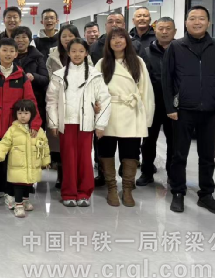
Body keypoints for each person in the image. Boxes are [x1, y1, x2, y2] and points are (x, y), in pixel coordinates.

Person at [163, 6, 215, 215]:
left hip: (210, 111)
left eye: (201, 18)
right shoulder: (176, 46)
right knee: (179, 154)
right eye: (192, 18)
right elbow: (167, 79)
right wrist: (170, 107)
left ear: (208, 22)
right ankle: (178, 192)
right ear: (186, 23)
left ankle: (206, 195)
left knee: (207, 155)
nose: (197, 22)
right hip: (182, 110)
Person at [0, 38, 42, 211]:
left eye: (11, 51)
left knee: (12, 164)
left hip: (14, 129)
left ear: (16, 54)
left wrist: (35, 124)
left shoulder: (21, 76)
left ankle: (10, 194)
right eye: (4, 50)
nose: (8, 54)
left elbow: (31, 102)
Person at [46, 39, 112, 208]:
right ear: (68, 53)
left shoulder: (95, 75)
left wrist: (100, 124)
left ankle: (84, 192)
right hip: (66, 123)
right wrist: (53, 123)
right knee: (68, 159)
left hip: (86, 123)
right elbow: (51, 100)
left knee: (85, 159)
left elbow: (104, 99)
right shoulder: (58, 75)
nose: (77, 54)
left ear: (86, 53)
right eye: (73, 51)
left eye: (81, 51)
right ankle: (69, 192)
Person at [96, 28, 155, 208]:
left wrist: (147, 118)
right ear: (108, 43)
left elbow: (146, 91)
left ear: (127, 41)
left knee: (131, 152)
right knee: (106, 152)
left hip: (131, 111)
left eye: (121, 37)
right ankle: (112, 188)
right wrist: (95, 113)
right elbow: (94, 90)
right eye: (113, 38)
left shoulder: (138, 62)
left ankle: (128, 188)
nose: (117, 41)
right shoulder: (102, 63)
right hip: (108, 112)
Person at [46, 24, 88, 189]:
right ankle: (62, 175)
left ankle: (78, 177)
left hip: (80, 105)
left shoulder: (84, 54)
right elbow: (51, 81)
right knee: (60, 144)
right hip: (59, 103)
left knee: (79, 145)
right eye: (64, 36)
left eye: (71, 36)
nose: (67, 39)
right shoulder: (52, 56)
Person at [0, 100, 50, 219]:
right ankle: (18, 204)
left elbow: (44, 146)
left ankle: (25, 200)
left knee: (28, 183)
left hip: (32, 164)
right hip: (17, 164)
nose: (22, 116)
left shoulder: (38, 131)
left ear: (32, 114)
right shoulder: (13, 129)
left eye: (26, 113)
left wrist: (46, 161)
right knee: (18, 184)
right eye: (19, 113)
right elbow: (5, 142)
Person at [137, 17, 177, 187]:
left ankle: (172, 175)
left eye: (168, 28)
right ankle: (147, 172)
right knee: (148, 140)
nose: (164, 32)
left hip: (175, 105)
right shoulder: (146, 52)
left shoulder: (180, 50)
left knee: (174, 141)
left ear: (175, 31)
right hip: (152, 103)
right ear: (155, 30)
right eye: (161, 28)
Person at [13, 26, 49, 131]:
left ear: (29, 39)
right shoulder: (9, 57)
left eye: (24, 37)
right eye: (17, 37)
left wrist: (34, 77)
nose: (20, 40)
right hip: (14, 102)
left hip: (34, 103)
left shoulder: (38, 57)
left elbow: (45, 79)